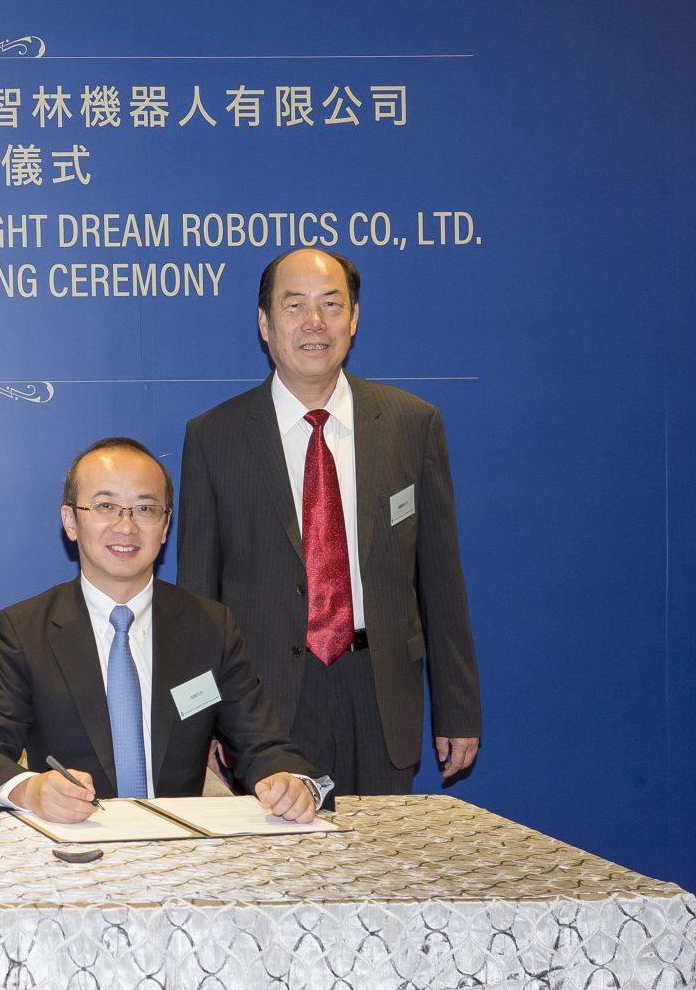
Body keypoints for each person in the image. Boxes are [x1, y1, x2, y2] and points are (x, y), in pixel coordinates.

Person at [179, 247, 480, 797]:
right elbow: (197, 602)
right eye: (294, 306)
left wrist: (458, 707)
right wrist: (200, 722)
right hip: (261, 702)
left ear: (355, 318)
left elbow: (441, 579)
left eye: (331, 305)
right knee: (278, 876)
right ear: (265, 324)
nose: (314, 323)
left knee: (381, 869)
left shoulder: (413, 425)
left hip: (380, 687)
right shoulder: (213, 437)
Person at [0, 437, 322, 823]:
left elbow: (263, 746)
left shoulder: (211, 627)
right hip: (74, 849)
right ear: (70, 521)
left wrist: (289, 782)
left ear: (165, 526)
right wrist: (33, 790)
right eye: (105, 506)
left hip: (182, 850)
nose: (126, 526)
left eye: (145, 508)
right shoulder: (26, 629)